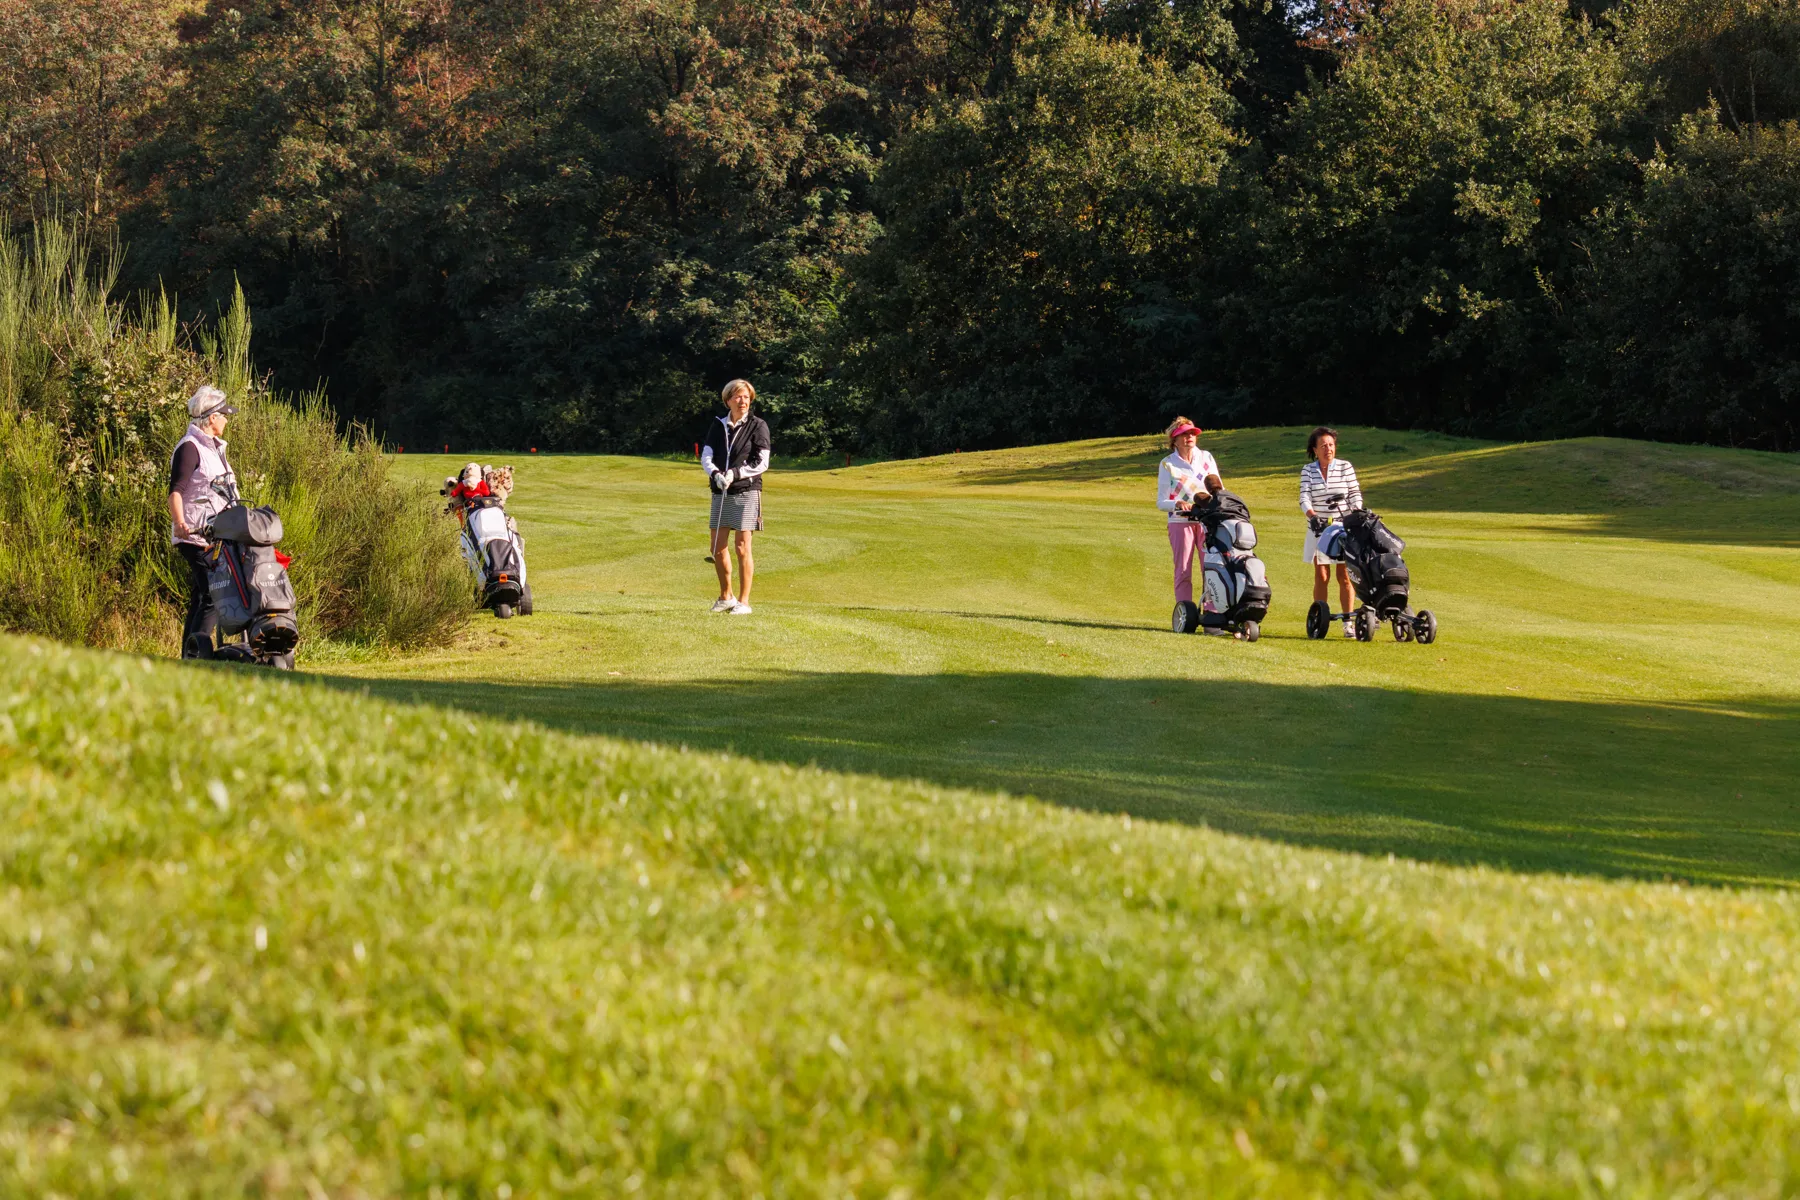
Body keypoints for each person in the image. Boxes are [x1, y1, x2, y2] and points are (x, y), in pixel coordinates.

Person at [167, 384, 238, 657]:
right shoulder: (190, 448)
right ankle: (199, 656)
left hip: (216, 535)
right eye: (223, 414)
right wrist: (179, 523)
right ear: (211, 418)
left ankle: (188, 654)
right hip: (195, 535)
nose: (226, 419)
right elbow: (176, 491)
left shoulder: (214, 449)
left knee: (201, 595)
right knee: (212, 593)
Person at [699, 378, 771, 615]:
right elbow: (707, 455)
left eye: (747, 397)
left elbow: (762, 462)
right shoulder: (718, 425)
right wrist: (717, 474)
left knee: (742, 547)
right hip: (721, 490)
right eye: (738, 397)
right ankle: (725, 596)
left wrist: (735, 473)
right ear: (728, 400)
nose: (743, 401)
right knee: (717, 548)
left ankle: (744, 601)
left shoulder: (758, 425)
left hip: (747, 490)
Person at [1155, 416, 1224, 617]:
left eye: (1192, 433)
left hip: (1206, 521)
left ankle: (1211, 612)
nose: (1189, 437)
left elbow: (1219, 488)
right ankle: (1185, 614)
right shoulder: (1167, 464)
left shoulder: (1207, 457)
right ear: (1174, 440)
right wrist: (1177, 503)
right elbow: (1161, 502)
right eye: (1183, 434)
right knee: (1183, 571)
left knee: (1211, 568)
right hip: (1180, 521)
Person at [1299, 425, 1363, 638]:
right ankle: (1320, 619)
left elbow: (1355, 494)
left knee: (1344, 575)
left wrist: (1357, 513)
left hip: (1343, 528)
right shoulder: (1308, 470)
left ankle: (1348, 623)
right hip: (1319, 528)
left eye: (1331, 445)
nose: (1328, 449)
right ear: (1315, 450)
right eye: (1323, 446)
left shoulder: (1345, 467)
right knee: (1322, 575)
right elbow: (1304, 497)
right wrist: (1312, 516)